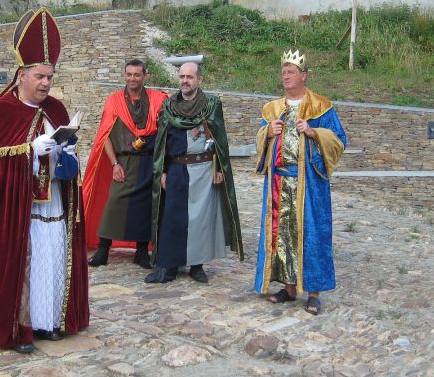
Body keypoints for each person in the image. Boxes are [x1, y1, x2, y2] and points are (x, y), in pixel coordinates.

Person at [0, 7, 89, 353]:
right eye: (39, 76)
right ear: (21, 75)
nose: (46, 84)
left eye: (50, 77)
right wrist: (29, 152)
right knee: (29, 262)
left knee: (52, 257)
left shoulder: (57, 110)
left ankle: (50, 321)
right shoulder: (2, 111)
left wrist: (67, 153)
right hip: (20, 209)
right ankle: (22, 324)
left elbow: (68, 150)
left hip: (54, 201)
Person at [254, 50, 347, 315]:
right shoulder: (273, 108)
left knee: (311, 234)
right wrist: (267, 133)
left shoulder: (321, 106)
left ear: (303, 76)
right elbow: (260, 140)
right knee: (282, 236)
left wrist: (315, 132)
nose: (285, 75)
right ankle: (289, 287)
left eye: (291, 72)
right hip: (279, 182)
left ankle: (314, 292)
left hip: (309, 184)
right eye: (283, 72)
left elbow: (339, 140)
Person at [146, 62, 244, 284]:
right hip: (177, 168)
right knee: (173, 218)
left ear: (199, 80)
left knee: (201, 219)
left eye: (190, 77)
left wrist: (219, 168)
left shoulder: (211, 105)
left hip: (204, 168)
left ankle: (197, 266)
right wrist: (161, 170)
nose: (184, 81)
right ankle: (169, 266)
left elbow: (220, 138)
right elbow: (162, 142)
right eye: (181, 76)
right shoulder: (169, 106)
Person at [82, 59, 168, 269]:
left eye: (137, 75)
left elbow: (167, 130)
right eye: (129, 74)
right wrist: (114, 164)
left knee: (147, 206)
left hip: (150, 160)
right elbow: (106, 136)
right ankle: (103, 249)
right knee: (115, 203)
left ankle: (141, 252)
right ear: (124, 75)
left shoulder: (158, 100)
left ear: (145, 76)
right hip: (124, 161)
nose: (132, 78)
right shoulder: (114, 101)